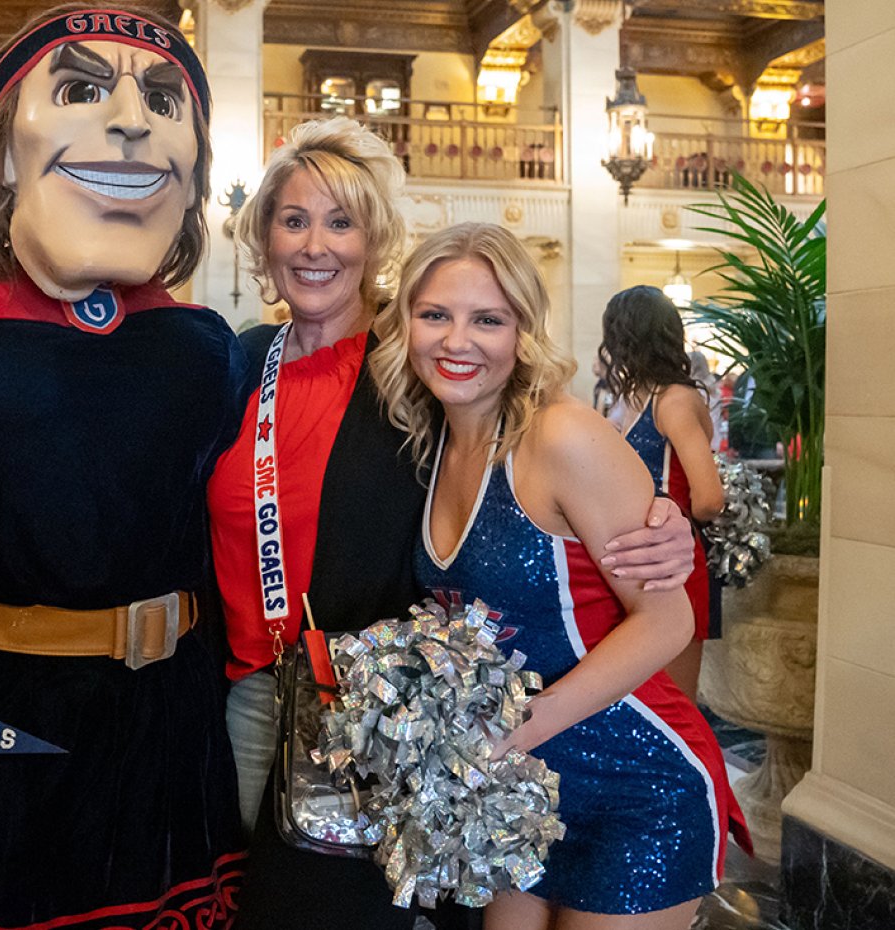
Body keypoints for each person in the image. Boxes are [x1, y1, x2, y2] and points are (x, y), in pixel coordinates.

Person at [207, 121, 698, 930]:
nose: (316, 245)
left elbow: (537, 442)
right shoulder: (241, 362)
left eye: (342, 221)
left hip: (370, 713)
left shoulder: (410, 370)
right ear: (263, 234)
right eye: (294, 220)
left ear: (374, 241)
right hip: (246, 694)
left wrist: (661, 519)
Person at [0, 6, 248, 926]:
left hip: (171, 716)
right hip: (3, 717)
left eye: (163, 99)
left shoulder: (203, 345)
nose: (131, 119)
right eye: (84, 89)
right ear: (4, 151)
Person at [368, 223, 747, 929]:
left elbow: (670, 621)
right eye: (435, 315)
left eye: (488, 319)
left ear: (523, 330)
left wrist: (508, 732)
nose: (457, 341)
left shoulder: (561, 436)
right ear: (405, 324)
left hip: (635, 788)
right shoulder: (430, 438)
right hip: (523, 793)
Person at [600, 286, 724, 699]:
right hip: (631, 562)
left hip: (671, 563)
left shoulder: (674, 401)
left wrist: (664, 525)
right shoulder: (631, 398)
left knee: (674, 702)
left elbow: (709, 498)